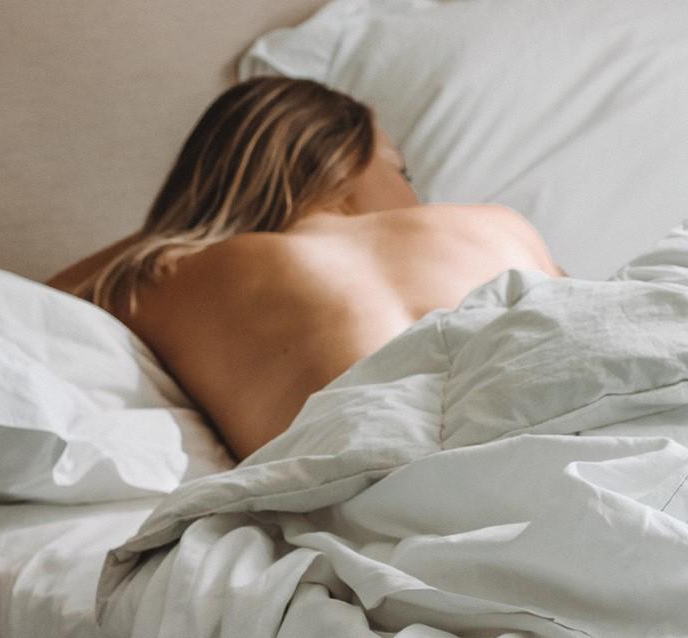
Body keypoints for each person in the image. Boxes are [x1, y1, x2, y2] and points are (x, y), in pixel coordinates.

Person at [47, 77, 562, 459]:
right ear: (345, 160)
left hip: (377, 501)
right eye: (399, 168)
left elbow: (38, 303)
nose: (412, 191)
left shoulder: (170, 273)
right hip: (562, 455)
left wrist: (195, 218)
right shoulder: (497, 226)